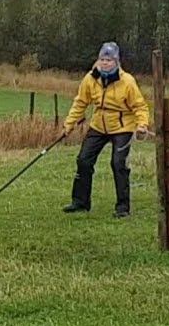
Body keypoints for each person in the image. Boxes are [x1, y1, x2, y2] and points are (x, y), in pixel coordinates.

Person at [60, 41, 150, 217]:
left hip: (122, 126)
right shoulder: (90, 78)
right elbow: (80, 103)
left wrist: (142, 125)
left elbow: (140, 106)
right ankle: (80, 202)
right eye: (102, 59)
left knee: (118, 163)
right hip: (98, 125)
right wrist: (68, 125)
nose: (105, 63)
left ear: (116, 62)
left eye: (109, 60)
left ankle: (122, 207)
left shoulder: (127, 81)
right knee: (84, 160)